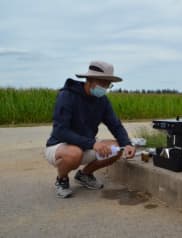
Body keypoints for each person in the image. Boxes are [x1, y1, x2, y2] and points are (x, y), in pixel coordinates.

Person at [45, 61, 136, 198]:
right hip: (61, 145)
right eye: (102, 83)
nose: (105, 88)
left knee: (117, 148)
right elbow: (60, 131)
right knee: (74, 154)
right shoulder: (67, 96)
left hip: (86, 145)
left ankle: (84, 175)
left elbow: (115, 125)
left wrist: (127, 144)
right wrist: (92, 143)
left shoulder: (102, 101)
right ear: (90, 80)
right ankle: (62, 179)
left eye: (107, 85)